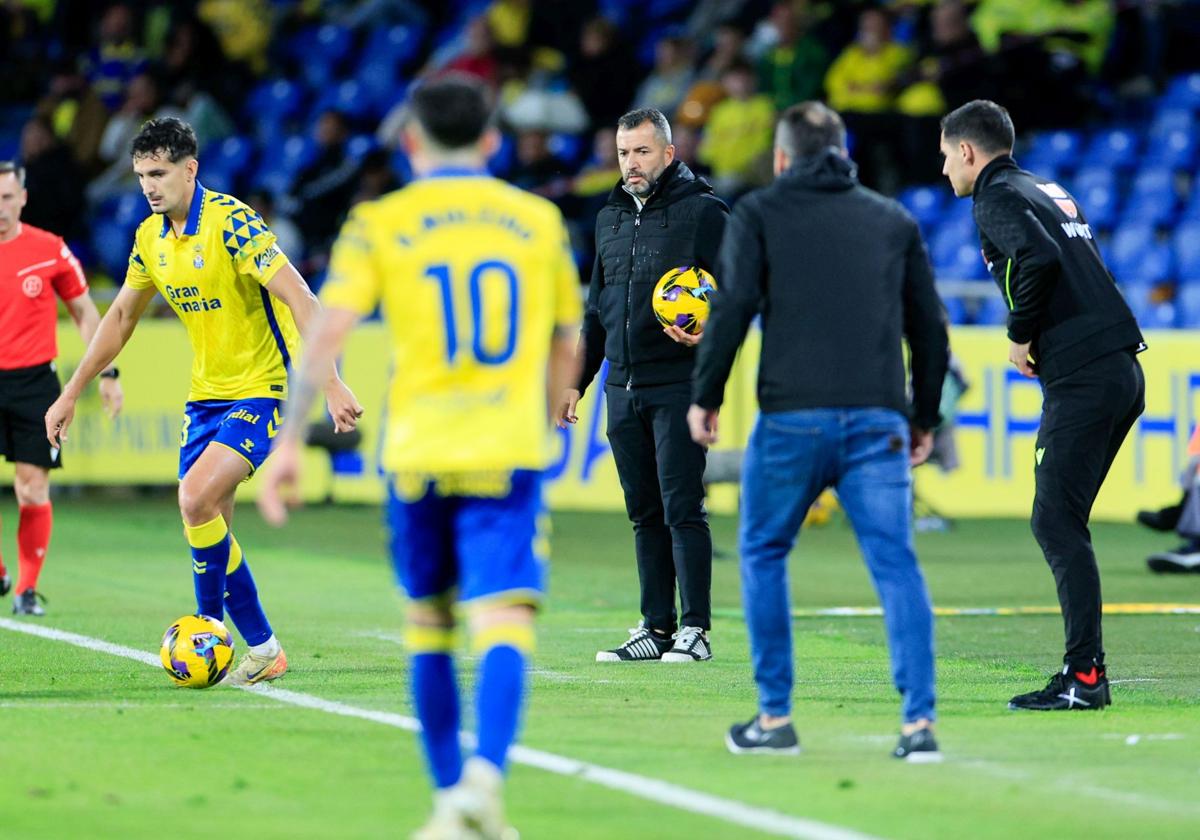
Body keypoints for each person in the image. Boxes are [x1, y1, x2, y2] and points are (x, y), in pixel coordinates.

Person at [255, 76, 581, 839]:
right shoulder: (537, 221)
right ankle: (484, 782)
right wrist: (550, 412)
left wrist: (289, 442)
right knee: (504, 617)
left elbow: (325, 334)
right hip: (507, 447)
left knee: (427, 622)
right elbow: (569, 335)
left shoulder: (380, 221)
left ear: (410, 143)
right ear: (494, 141)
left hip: (418, 451)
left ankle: (448, 800)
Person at [44, 117, 362, 685]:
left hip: (262, 391)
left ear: (191, 170)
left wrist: (331, 381)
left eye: (159, 173)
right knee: (207, 521)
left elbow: (300, 295)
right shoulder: (150, 239)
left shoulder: (233, 223)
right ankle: (241, 644)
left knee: (194, 500)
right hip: (205, 399)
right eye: (141, 174)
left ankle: (233, 636)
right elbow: (119, 318)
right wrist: (71, 391)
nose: (148, 185)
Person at [689, 101, 949, 761]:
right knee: (896, 564)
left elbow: (733, 308)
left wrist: (706, 395)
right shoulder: (892, 218)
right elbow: (930, 328)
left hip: (791, 418)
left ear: (781, 157)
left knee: (764, 554)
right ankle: (919, 727)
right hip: (877, 421)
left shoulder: (758, 212)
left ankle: (774, 719)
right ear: (844, 151)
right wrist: (922, 417)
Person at [939, 100, 1145, 710]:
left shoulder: (996, 197)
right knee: (1062, 520)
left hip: (1086, 373)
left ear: (969, 151)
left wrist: (1020, 334)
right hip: (1118, 365)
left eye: (947, 153)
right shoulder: (1045, 188)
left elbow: (1040, 259)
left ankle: (1085, 678)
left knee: (1054, 521)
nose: (944, 166)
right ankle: (1084, 673)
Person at [555, 108, 729, 664]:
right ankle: (655, 628)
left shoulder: (703, 212)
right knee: (643, 512)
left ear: (668, 154)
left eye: (643, 152)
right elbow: (597, 313)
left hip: (679, 385)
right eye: (624, 152)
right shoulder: (607, 216)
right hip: (621, 388)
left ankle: (695, 630)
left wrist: (705, 337)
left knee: (683, 508)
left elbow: (741, 297)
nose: (631, 163)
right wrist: (575, 383)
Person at [0, 161, 122, 615]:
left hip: (34, 383)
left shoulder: (49, 249)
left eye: (8, 197)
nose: (0, 208)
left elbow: (86, 314)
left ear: (23, 198)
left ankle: (26, 590)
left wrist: (107, 374)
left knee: (32, 488)